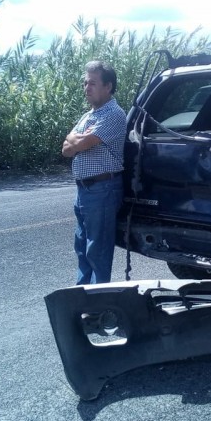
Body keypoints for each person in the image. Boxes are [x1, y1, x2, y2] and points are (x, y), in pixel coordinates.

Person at [62, 60, 127, 285]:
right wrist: (77, 140)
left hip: (102, 189)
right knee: (82, 247)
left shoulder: (113, 114)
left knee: (97, 251)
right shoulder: (89, 115)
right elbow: (66, 149)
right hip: (84, 191)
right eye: (85, 83)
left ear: (108, 86)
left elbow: (82, 143)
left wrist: (77, 139)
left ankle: (98, 303)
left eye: (92, 83)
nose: (86, 88)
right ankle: (82, 296)